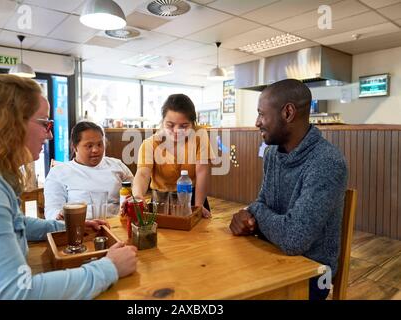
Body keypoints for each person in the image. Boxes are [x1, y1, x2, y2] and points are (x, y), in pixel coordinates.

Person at [0, 74, 137, 299]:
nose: (49, 134)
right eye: (44, 123)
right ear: (9, 123)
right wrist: (109, 268)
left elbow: (16, 223)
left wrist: (68, 227)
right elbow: (15, 292)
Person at [229, 79, 348, 300]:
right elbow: (264, 202)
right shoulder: (273, 153)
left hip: (313, 275)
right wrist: (250, 218)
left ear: (288, 113)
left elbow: (294, 238)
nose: (257, 122)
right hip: (272, 255)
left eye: (262, 114)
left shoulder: (327, 162)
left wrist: (254, 210)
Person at [132, 94, 215, 218]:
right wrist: (138, 196)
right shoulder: (150, 144)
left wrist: (198, 207)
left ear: (193, 124)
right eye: (170, 125)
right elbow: (143, 173)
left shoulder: (199, 137)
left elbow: (202, 172)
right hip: (161, 202)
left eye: (184, 126)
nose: (177, 131)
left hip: (192, 199)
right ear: (162, 122)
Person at [44, 121, 133, 220]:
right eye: (89, 146)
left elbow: (136, 192)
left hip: (118, 225)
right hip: (82, 228)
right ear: (75, 147)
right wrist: (58, 215)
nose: (95, 150)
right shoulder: (58, 173)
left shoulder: (117, 165)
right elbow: (52, 210)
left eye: (99, 144)